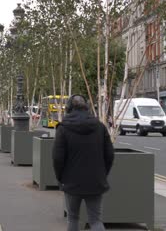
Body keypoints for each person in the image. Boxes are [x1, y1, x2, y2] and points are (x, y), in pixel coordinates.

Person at [52, 95, 115, 231]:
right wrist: (103, 173)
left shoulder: (63, 128)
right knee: (96, 220)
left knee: (73, 218)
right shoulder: (100, 127)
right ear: (86, 107)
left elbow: (57, 158)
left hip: (71, 181)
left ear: (68, 108)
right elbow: (110, 155)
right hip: (95, 181)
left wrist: (60, 178)